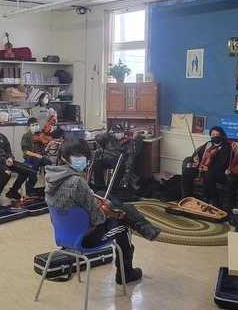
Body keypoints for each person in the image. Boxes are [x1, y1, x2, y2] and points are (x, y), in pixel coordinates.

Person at [44, 137, 161, 284]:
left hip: (63, 234)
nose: (82, 160)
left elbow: (71, 203)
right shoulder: (77, 182)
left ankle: (140, 223)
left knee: (101, 195)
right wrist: (103, 208)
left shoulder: (50, 178)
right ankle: (126, 273)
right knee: (124, 225)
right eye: (77, 156)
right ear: (64, 157)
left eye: (84, 157)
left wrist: (95, 200)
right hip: (85, 238)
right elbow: (98, 219)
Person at [181, 126, 232, 199]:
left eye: (217, 135)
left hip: (214, 171)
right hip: (201, 168)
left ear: (221, 135)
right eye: (213, 135)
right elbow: (198, 154)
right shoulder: (208, 144)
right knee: (187, 172)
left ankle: (208, 200)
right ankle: (186, 197)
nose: (215, 137)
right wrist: (195, 159)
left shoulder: (226, 147)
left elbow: (223, 164)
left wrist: (208, 168)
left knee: (208, 176)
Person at [91, 124, 143, 189]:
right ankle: (100, 187)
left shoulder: (128, 141)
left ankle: (115, 188)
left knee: (119, 166)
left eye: (120, 131)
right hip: (107, 158)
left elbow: (136, 151)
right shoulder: (108, 138)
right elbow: (98, 138)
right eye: (116, 131)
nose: (119, 133)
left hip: (120, 160)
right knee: (97, 164)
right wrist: (107, 133)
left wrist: (137, 138)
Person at [21, 117, 55, 196]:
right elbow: (25, 151)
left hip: (40, 156)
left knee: (48, 162)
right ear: (28, 127)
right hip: (30, 157)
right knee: (37, 161)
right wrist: (36, 155)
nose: (35, 126)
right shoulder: (26, 136)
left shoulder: (40, 135)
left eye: (36, 124)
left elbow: (44, 151)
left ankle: (49, 185)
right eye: (33, 125)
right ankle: (30, 185)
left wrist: (49, 145)